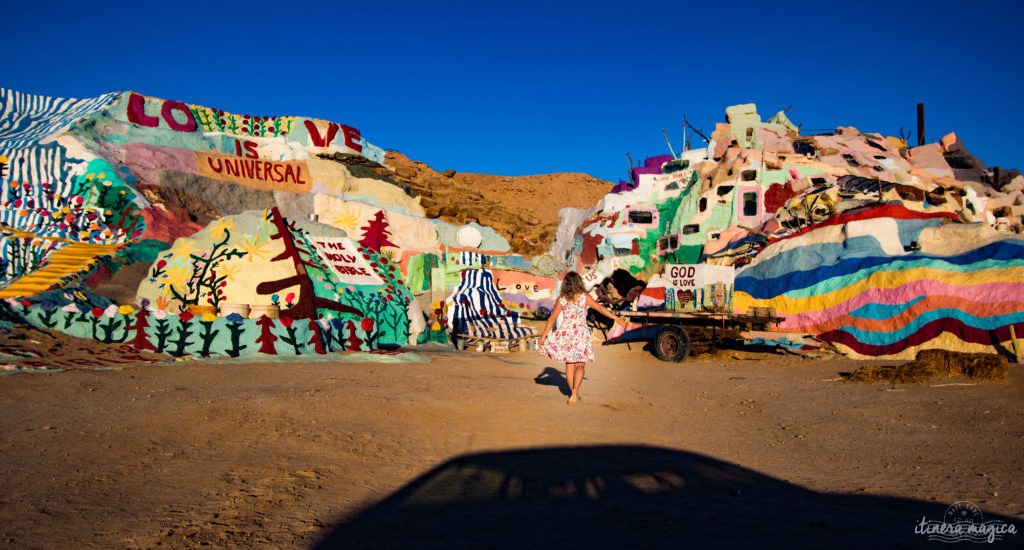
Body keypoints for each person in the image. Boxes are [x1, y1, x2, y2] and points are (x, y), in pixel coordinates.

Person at [538, 271, 626, 405]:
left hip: (566, 333)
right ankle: (575, 392)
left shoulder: (561, 299)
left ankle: (571, 393)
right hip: (580, 333)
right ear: (579, 282)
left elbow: (552, 318)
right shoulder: (584, 297)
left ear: (566, 284)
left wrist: (543, 337)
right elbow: (601, 309)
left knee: (570, 364)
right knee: (580, 365)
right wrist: (616, 318)